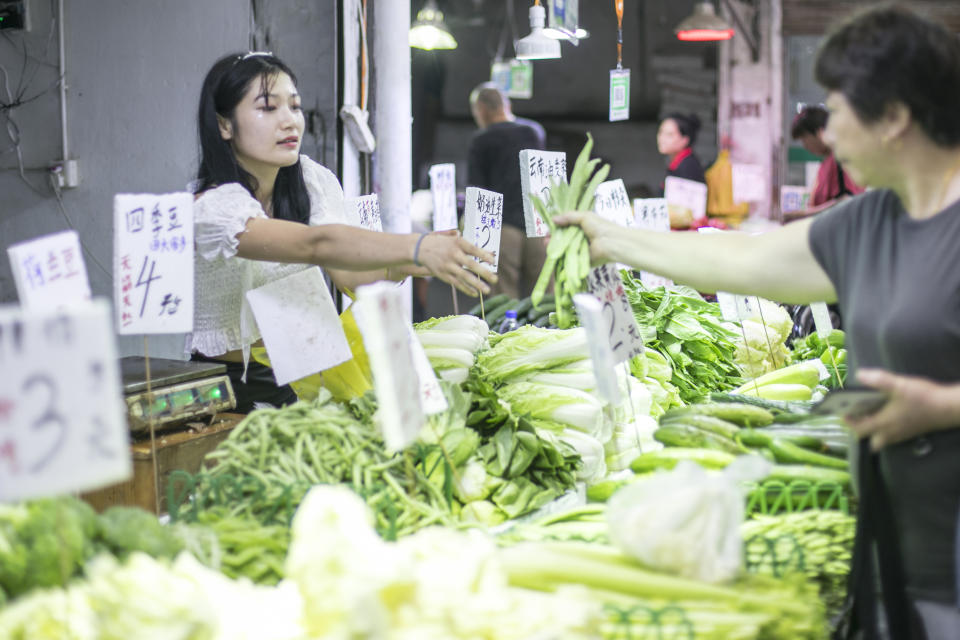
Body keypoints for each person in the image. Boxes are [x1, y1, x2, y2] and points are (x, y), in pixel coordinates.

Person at [557, 6, 960, 638]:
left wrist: (941, 406)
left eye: (836, 108)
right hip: (891, 542)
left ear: (895, 117)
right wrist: (614, 240)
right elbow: (739, 256)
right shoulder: (869, 221)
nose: (829, 132)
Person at [187, 52, 496, 412]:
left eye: (295, 106)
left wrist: (416, 262)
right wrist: (415, 246)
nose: (289, 122)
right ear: (224, 125)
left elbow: (350, 276)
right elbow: (316, 245)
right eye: (268, 108)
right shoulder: (211, 208)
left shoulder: (311, 181)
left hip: (309, 368)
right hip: (230, 386)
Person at [467, 82, 547, 300]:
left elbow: (477, 190)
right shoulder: (534, 132)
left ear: (481, 110)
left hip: (502, 229)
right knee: (544, 297)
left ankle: (505, 334)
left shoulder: (481, 140)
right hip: (537, 227)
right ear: (507, 105)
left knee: (502, 298)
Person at [789, 105, 865, 217]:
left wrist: (804, 214)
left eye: (805, 138)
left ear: (819, 132)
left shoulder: (841, 160)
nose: (805, 146)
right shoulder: (826, 163)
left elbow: (848, 203)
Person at [657, 112, 707, 228]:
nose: (661, 138)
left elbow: (687, 215)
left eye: (669, 135)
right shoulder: (679, 163)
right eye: (660, 132)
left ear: (684, 140)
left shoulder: (688, 166)